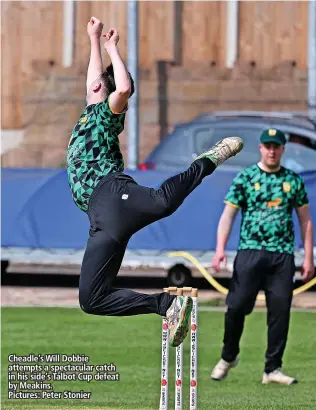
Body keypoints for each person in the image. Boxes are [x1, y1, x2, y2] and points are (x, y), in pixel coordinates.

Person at [66, 17, 243, 347]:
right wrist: (93, 40)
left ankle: (209, 160)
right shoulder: (90, 108)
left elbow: (121, 88)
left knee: (163, 202)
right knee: (91, 299)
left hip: (111, 192)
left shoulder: (106, 113)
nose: (92, 83)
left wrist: (113, 50)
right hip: (100, 220)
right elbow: (96, 79)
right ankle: (164, 305)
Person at [210, 128, 314, 384]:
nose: (271, 150)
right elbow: (228, 216)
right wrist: (220, 250)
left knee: (280, 312)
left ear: (282, 149)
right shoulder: (245, 178)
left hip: (282, 255)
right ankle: (229, 355)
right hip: (250, 251)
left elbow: (305, 221)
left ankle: (272, 369)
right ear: (260, 148)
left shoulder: (293, 180)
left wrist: (308, 257)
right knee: (236, 306)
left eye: (276, 146)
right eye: (267, 146)